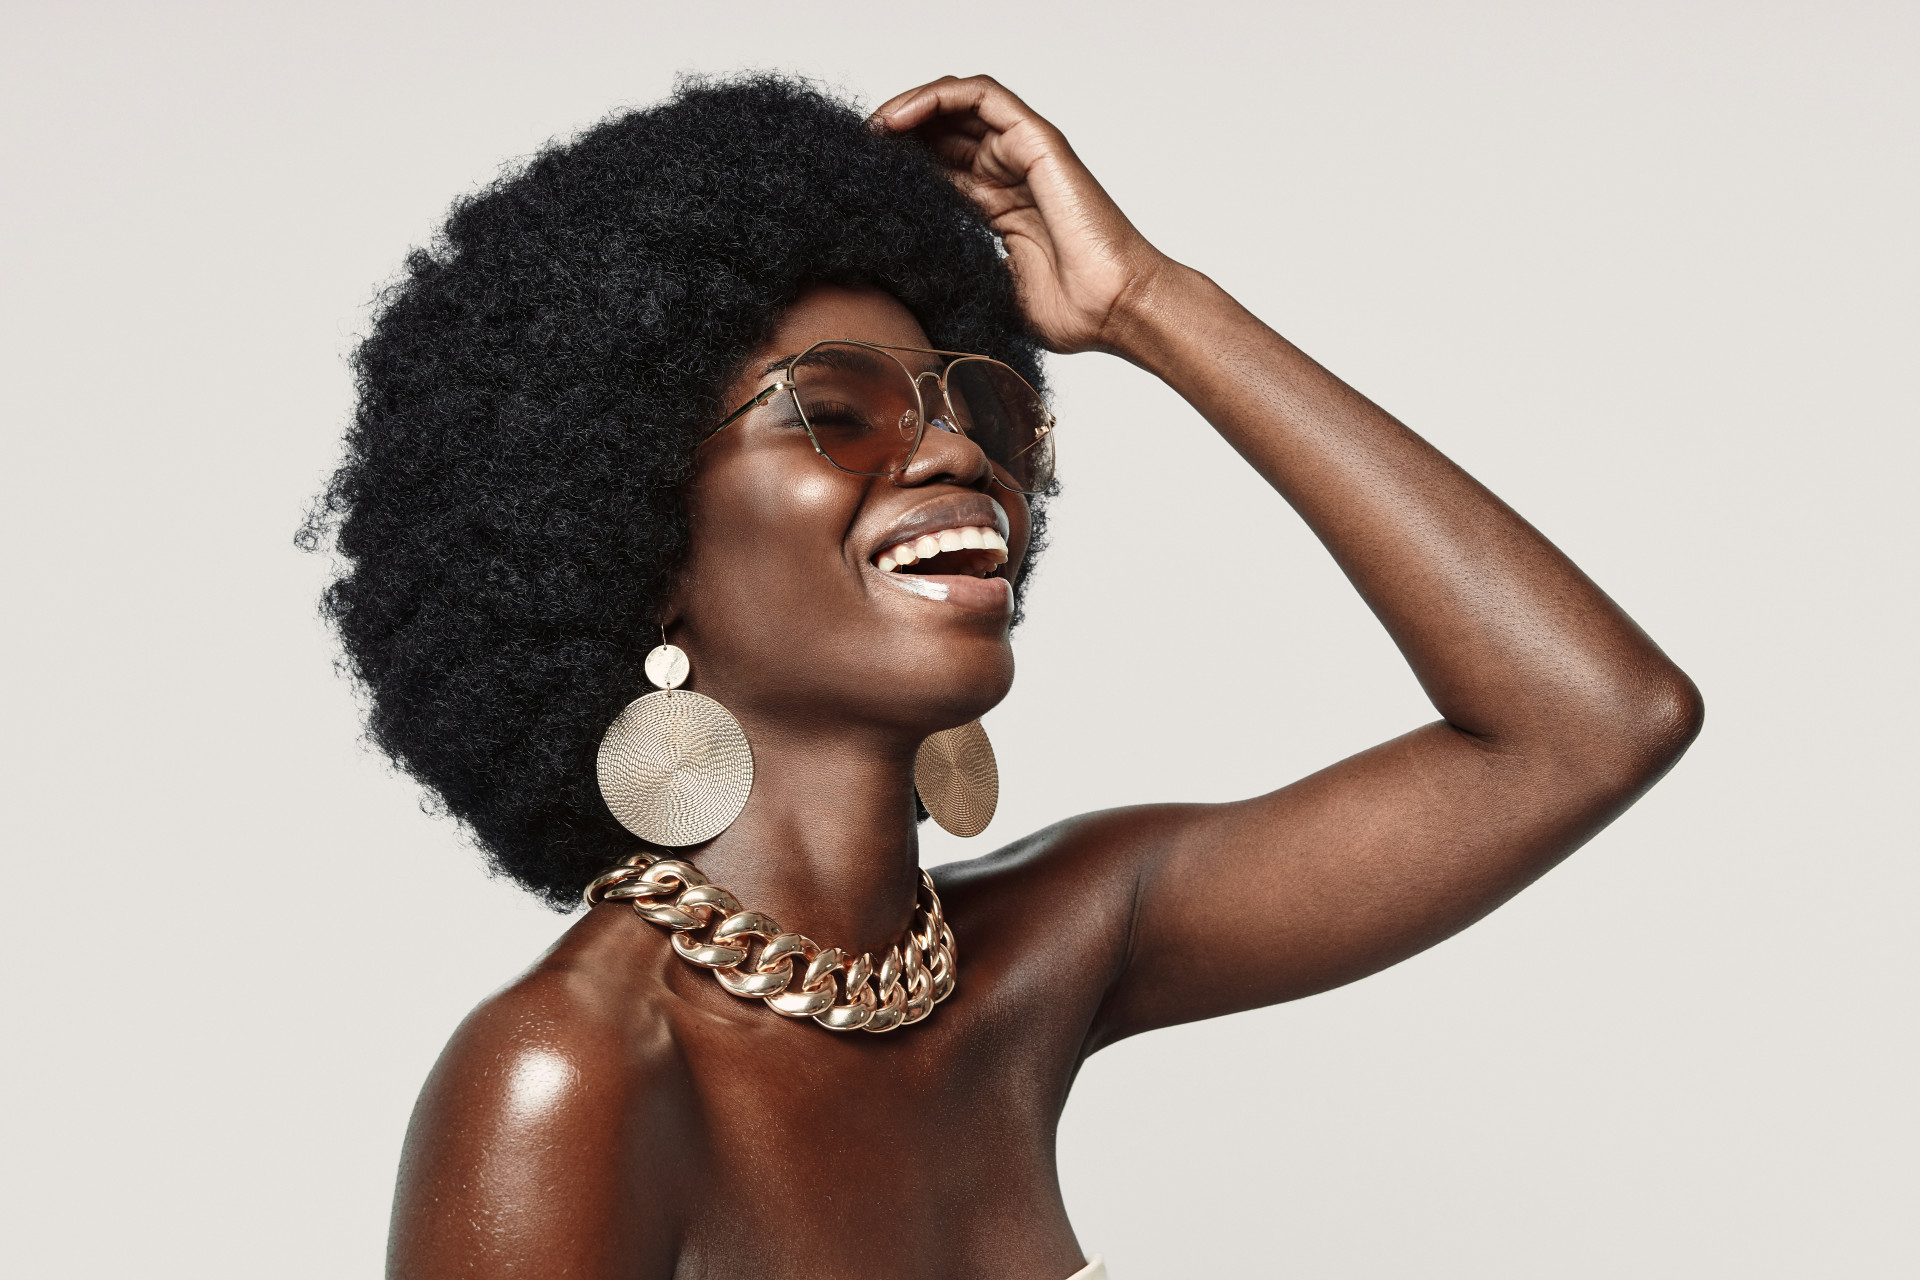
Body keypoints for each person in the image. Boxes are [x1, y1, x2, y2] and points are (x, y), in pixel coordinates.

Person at [307, 72, 1701, 1279]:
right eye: (836, 413)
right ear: (633, 537)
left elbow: (1593, 724)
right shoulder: (572, 1078)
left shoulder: (1049, 946)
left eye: (976, 407)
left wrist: (1144, 302)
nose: (956, 452)